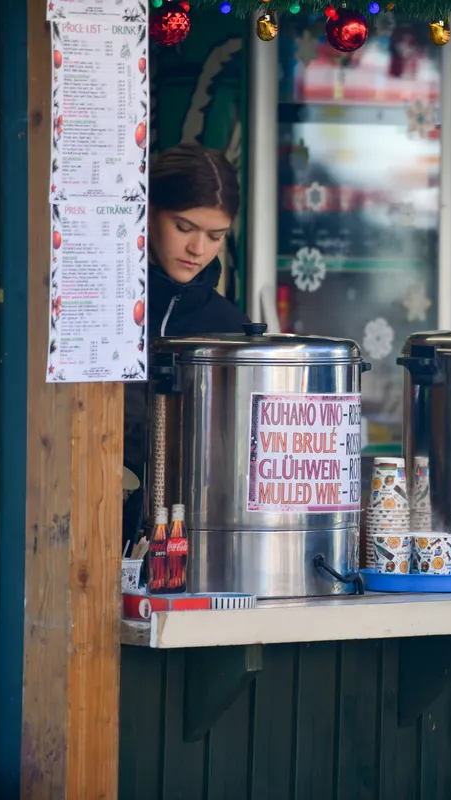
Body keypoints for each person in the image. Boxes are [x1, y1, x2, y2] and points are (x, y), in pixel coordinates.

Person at [122, 143, 251, 544]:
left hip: (194, 538)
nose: (198, 249)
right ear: (148, 211)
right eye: (183, 228)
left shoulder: (230, 330)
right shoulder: (104, 304)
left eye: (215, 236)